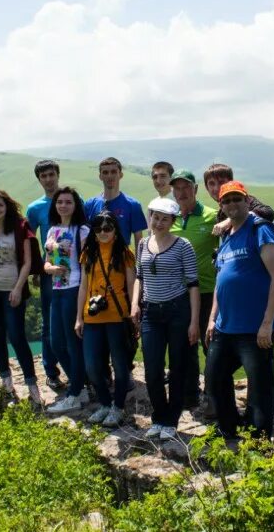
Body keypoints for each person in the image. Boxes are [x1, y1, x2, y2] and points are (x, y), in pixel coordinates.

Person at [206, 181, 274, 439]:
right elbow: (221, 281)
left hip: (255, 327)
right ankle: (228, 427)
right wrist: (212, 318)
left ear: (247, 200)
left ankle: (259, 439)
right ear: (221, 206)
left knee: (260, 386)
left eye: (236, 199)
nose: (232, 204)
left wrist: (267, 323)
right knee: (214, 378)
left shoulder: (260, 229)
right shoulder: (226, 236)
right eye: (226, 201)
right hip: (225, 326)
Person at [131, 197, 200, 441]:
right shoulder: (143, 245)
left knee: (178, 367)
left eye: (164, 219)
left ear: (172, 222)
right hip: (151, 312)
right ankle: (159, 417)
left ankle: (171, 420)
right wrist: (134, 304)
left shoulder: (183, 245)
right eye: (155, 217)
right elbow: (139, 276)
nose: (158, 223)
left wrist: (194, 321)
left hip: (177, 310)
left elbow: (192, 284)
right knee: (152, 370)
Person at [0, 190, 43, 405]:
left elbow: (27, 262)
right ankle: (7, 386)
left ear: (7, 206)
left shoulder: (20, 227)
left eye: (0, 205)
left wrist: (17, 289)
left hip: (11, 290)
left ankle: (33, 388)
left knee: (17, 336)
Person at [75, 211, 138, 427]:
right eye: (99, 228)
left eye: (108, 228)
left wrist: (134, 314)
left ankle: (118, 407)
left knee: (120, 366)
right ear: (93, 231)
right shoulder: (87, 254)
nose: (103, 232)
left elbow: (131, 286)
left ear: (115, 230)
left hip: (117, 316)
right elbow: (83, 286)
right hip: (92, 317)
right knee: (92, 366)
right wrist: (79, 318)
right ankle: (104, 404)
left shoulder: (124, 254)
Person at [169, 169, 219, 411]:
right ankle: (190, 395)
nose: (182, 192)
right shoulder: (170, 217)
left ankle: (213, 395)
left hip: (208, 290)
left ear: (196, 189)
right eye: (177, 188)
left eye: (186, 187)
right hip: (178, 293)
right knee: (183, 344)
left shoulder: (212, 216)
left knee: (210, 345)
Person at [44, 187, 92, 414]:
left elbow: (87, 266)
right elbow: (46, 262)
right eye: (60, 202)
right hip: (57, 289)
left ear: (75, 205)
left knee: (74, 344)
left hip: (74, 289)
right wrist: (49, 268)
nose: (63, 205)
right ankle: (79, 386)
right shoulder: (52, 230)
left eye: (68, 202)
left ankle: (74, 394)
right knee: (56, 343)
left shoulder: (81, 230)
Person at [25, 159, 63, 390]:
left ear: (58, 175)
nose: (48, 179)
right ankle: (51, 371)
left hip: (75, 271)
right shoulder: (35, 208)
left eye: (51, 174)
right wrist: (36, 270)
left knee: (75, 319)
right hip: (49, 272)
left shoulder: (71, 200)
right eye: (44, 176)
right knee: (49, 320)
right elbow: (29, 242)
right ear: (39, 179)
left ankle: (78, 368)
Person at [83, 157, 148, 248]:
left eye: (113, 172)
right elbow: (84, 235)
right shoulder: (90, 204)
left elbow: (138, 239)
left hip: (121, 259)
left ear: (120, 175)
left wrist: (138, 262)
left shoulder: (133, 205)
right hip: (96, 259)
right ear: (100, 176)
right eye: (105, 172)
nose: (109, 176)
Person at [202, 163, 274, 229]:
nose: (217, 188)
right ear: (206, 187)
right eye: (211, 183)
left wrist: (230, 221)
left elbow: (268, 212)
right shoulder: (221, 215)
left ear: (231, 182)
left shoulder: (243, 200)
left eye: (221, 182)